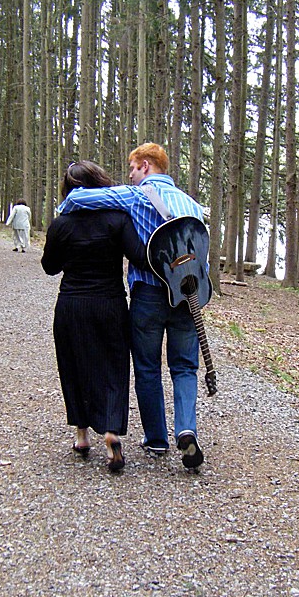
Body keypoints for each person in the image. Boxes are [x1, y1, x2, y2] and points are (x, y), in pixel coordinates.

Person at [56, 143, 207, 468]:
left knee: (148, 368)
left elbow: (80, 198)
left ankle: (156, 440)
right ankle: (186, 428)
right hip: (186, 298)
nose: (130, 174)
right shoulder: (194, 206)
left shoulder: (135, 195)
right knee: (184, 367)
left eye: (133, 168)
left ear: (147, 166)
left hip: (148, 296)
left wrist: (68, 199)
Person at [42, 161, 151, 472]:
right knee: (114, 366)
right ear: (102, 184)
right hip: (110, 303)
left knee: (74, 366)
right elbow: (140, 257)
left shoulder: (61, 223)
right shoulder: (117, 218)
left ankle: (81, 435)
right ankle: (111, 433)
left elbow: (50, 267)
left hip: (72, 305)